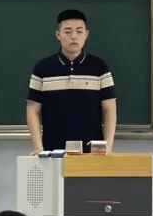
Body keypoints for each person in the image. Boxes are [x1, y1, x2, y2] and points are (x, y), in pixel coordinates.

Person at [27, 9, 117, 155]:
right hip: (52, 151)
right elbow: (32, 109)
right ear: (58, 35)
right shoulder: (42, 68)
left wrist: (108, 146)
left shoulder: (99, 67)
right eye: (67, 31)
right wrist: (38, 147)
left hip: (93, 153)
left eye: (79, 31)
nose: (74, 36)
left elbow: (110, 109)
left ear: (86, 34)